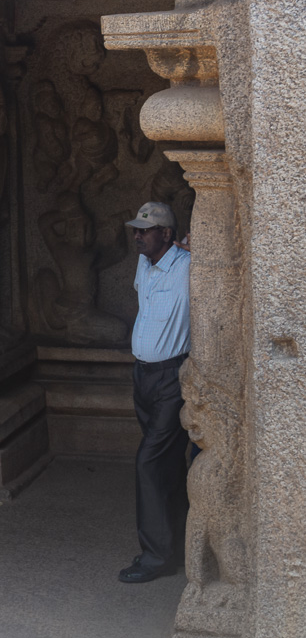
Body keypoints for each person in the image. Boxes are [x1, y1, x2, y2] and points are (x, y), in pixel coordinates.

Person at [118, 201, 191, 584]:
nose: (138, 236)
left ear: (166, 233)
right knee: (167, 464)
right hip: (143, 376)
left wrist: (201, 245)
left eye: (145, 230)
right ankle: (177, 548)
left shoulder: (188, 265)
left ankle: (155, 557)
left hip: (171, 379)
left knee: (149, 462)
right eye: (136, 229)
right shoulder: (144, 265)